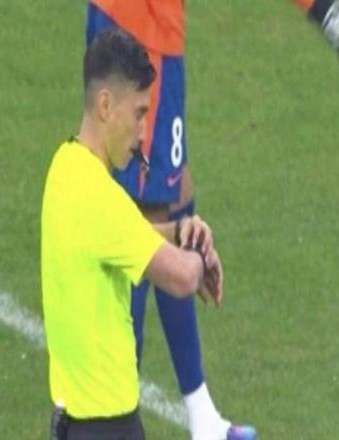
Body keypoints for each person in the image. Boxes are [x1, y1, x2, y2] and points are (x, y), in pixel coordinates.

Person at [42, 29, 248, 440]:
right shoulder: (99, 197)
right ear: (105, 105)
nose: (143, 134)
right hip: (107, 429)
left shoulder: (65, 167)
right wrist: (199, 256)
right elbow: (181, 278)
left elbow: (124, 235)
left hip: (79, 426)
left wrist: (180, 230)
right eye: (139, 114)